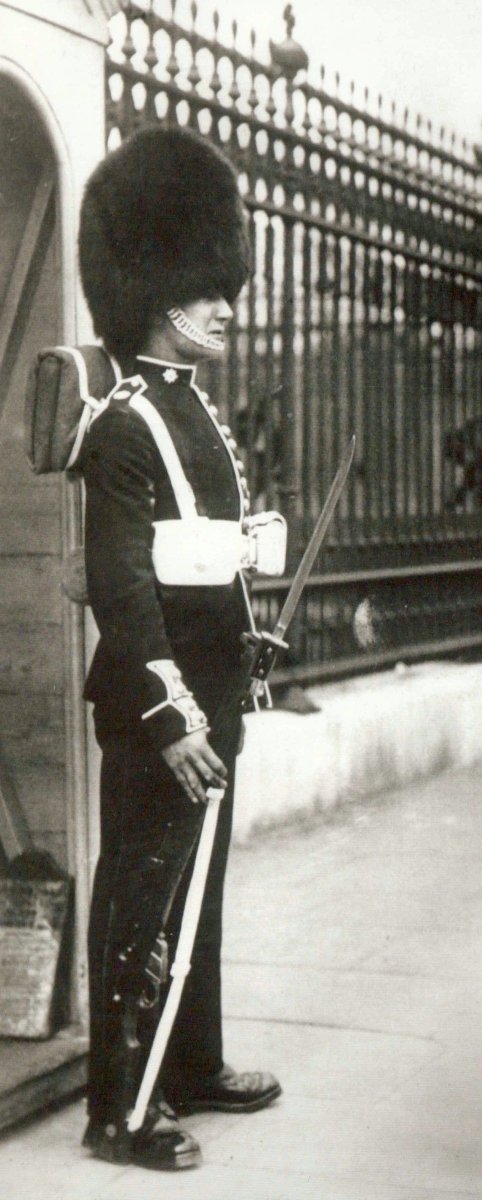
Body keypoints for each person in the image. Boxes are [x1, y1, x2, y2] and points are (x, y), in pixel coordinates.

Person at [77, 125, 281, 1171]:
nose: (226, 305)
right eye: (209, 289)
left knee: (198, 895)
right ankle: (119, 1106)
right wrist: (174, 716)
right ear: (157, 286)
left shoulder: (194, 413)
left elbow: (203, 565)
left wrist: (247, 630)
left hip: (214, 693)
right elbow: (123, 589)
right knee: (145, 896)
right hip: (163, 709)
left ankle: (188, 1065)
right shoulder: (121, 427)